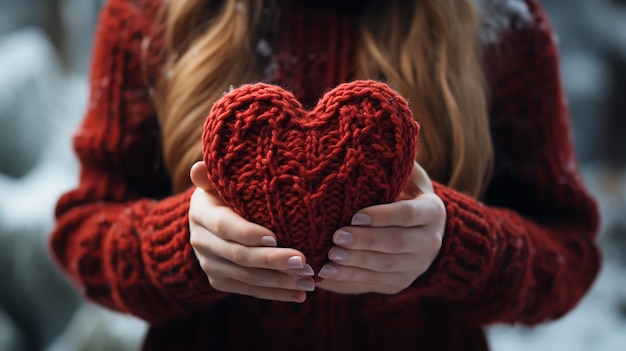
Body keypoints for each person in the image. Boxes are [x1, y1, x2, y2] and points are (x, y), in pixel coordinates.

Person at [49, 0, 601, 350]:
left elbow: (569, 256)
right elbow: (85, 236)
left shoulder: (503, 23)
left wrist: (453, 245)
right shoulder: (147, 16)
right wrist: (183, 244)